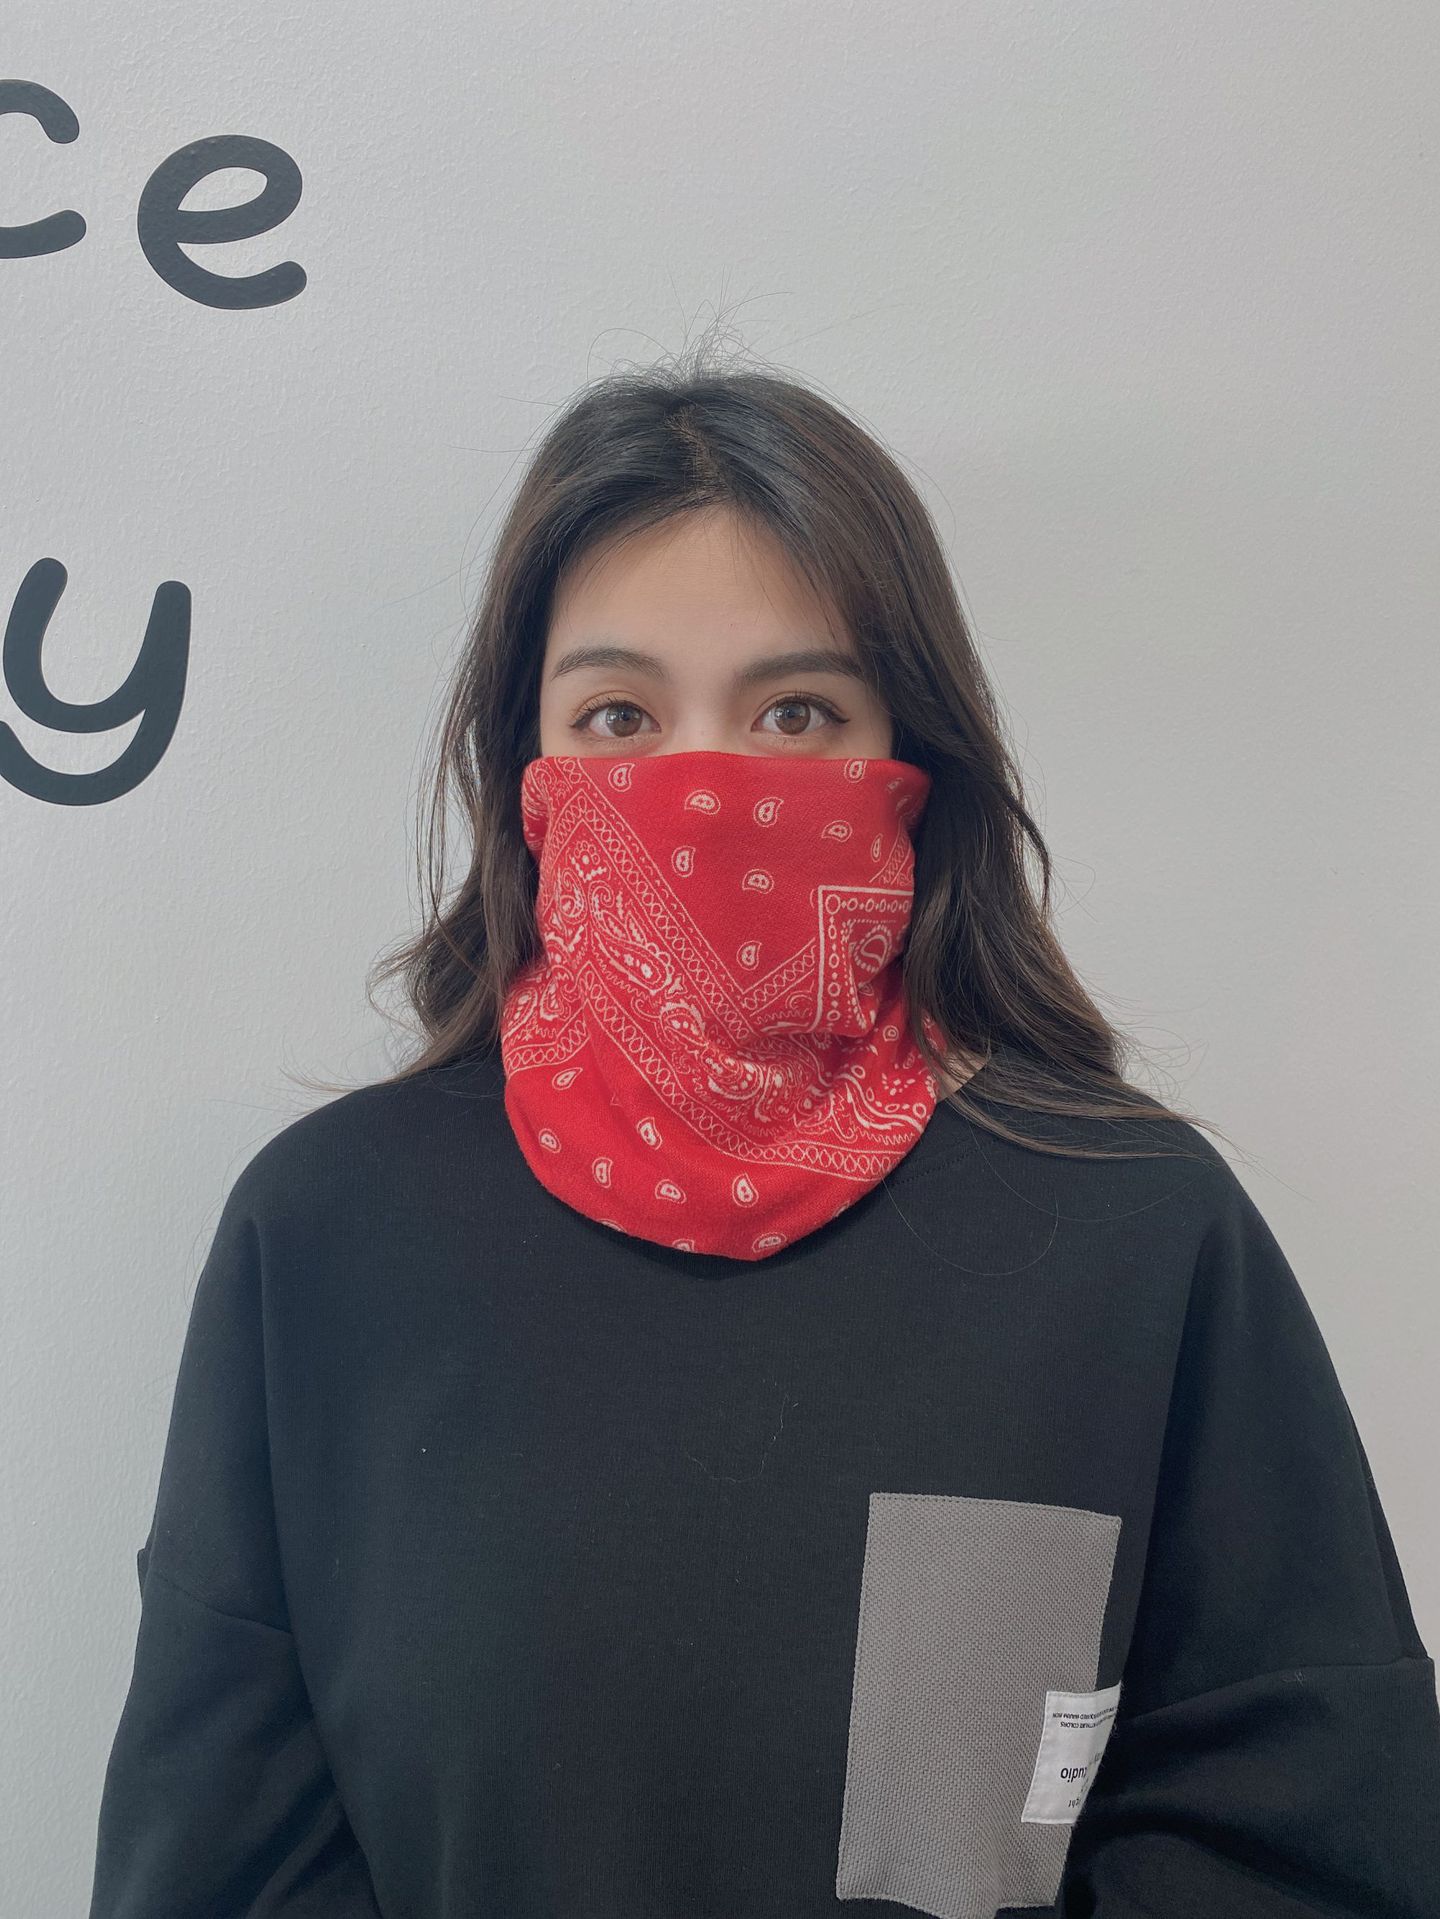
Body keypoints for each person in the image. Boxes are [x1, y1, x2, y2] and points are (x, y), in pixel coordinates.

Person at [88, 350, 1440, 1917]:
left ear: (913, 759)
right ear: (524, 775)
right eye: (617, 713)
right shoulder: (326, 1238)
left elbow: (1311, 1832)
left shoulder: (1131, 1231)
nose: (707, 790)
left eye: (797, 711)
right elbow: (223, 1861)